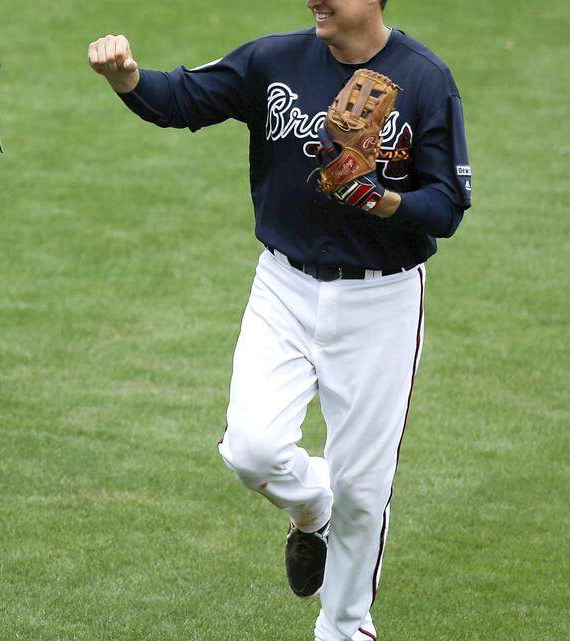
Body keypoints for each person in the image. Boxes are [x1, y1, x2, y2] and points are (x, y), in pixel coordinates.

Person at [88, 1, 471, 639]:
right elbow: (181, 99)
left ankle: (345, 627)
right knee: (251, 449)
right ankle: (311, 503)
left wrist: (379, 198)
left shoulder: (426, 80)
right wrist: (126, 76)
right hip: (284, 286)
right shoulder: (274, 60)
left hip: (382, 304)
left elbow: (448, 207)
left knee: (364, 489)